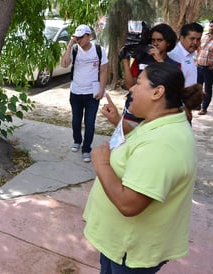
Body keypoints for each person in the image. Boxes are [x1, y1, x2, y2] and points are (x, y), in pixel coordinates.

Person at [83, 62, 199, 273]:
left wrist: (101, 163)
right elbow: (138, 142)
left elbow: (130, 205)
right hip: (119, 245)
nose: (132, 89)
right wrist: (118, 121)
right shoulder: (160, 122)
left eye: (138, 83)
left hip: (131, 252)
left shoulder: (163, 144)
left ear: (157, 92)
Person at [111, 23, 179, 133]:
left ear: (168, 42)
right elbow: (130, 85)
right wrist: (125, 61)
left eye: (159, 40)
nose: (155, 44)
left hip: (156, 115)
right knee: (124, 141)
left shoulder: (174, 65)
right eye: (153, 40)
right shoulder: (141, 59)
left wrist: (159, 61)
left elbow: (172, 87)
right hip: (134, 110)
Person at [60, 24, 108, 162]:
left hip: (92, 93)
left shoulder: (99, 50)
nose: (79, 40)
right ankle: (77, 140)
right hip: (76, 92)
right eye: (77, 37)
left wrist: (101, 89)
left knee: (90, 122)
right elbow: (64, 64)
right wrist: (70, 44)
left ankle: (86, 148)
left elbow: (104, 70)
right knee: (76, 120)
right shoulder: (75, 50)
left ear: (89, 36)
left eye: (81, 37)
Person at [168, 22, 203, 88]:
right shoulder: (174, 56)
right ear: (182, 38)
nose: (195, 42)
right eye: (192, 39)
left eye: (198, 39)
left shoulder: (191, 54)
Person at [195, 20, 213, 115]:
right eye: (210, 26)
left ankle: (204, 108)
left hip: (209, 70)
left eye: (212, 26)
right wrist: (196, 61)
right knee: (198, 87)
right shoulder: (204, 37)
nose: (211, 28)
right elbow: (198, 50)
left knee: (207, 89)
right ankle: (197, 105)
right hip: (199, 67)